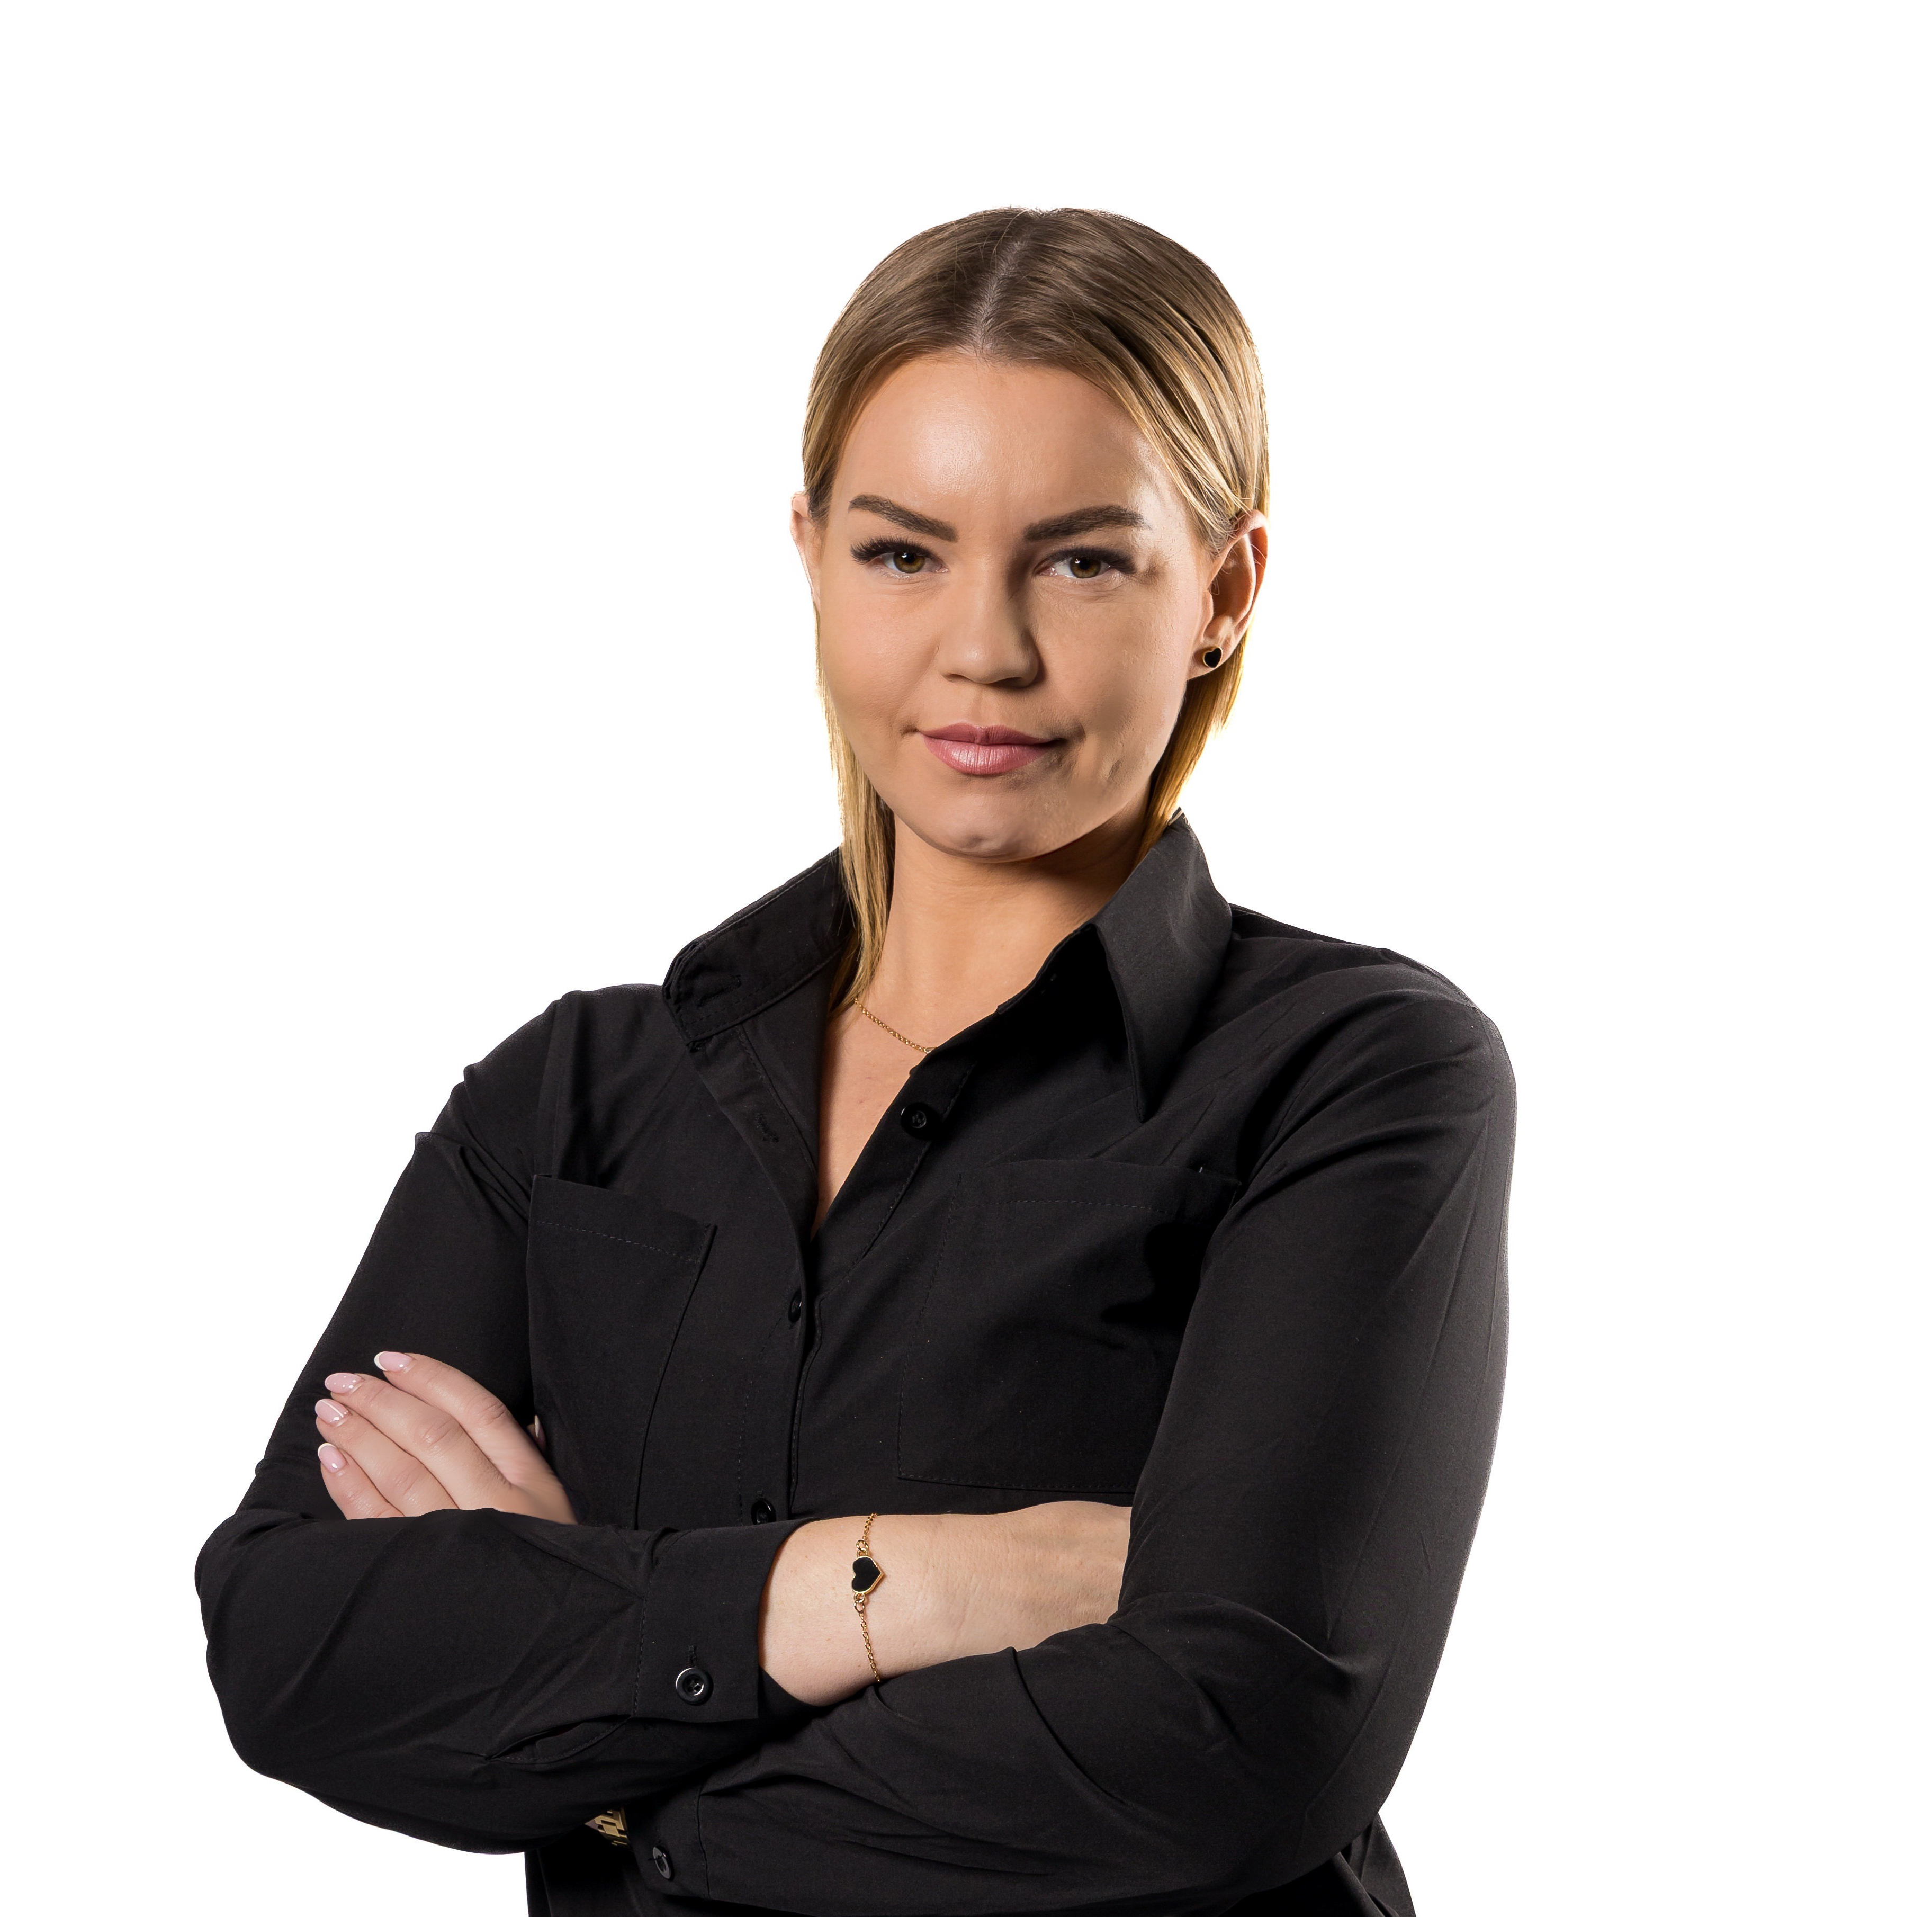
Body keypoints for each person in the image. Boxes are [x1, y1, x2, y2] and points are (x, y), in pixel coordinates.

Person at [196, 207, 1515, 1917]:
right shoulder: (570, 1100)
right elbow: (288, 1646)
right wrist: (883, 1589)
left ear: (1222, 590)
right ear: (810, 553)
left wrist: (606, 1749)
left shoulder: (1351, 1076)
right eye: (903, 553)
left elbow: (1238, 1742)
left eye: (1081, 560)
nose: (983, 647)